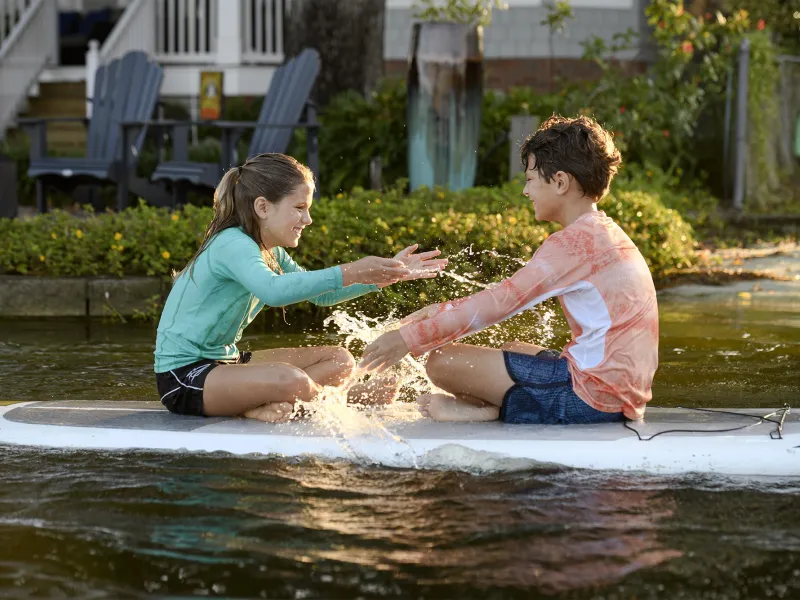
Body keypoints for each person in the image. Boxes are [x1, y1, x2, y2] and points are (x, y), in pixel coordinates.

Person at [359, 115, 659, 424]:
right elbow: (503, 296)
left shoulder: (574, 244)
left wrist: (409, 338)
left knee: (442, 361)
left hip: (591, 400)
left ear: (560, 182)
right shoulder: (605, 234)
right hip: (620, 396)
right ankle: (495, 406)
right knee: (513, 348)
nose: (525, 192)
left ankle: (494, 410)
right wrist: (442, 309)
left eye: (530, 180)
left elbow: (500, 303)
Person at [154, 153, 447, 423]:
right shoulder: (232, 243)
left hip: (227, 363)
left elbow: (324, 295)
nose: (307, 220)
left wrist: (382, 276)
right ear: (263, 207)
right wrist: (351, 270)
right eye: (299, 208)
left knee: (339, 359)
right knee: (290, 379)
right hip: (184, 377)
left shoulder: (270, 251)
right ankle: (350, 399)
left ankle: (263, 405)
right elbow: (273, 290)